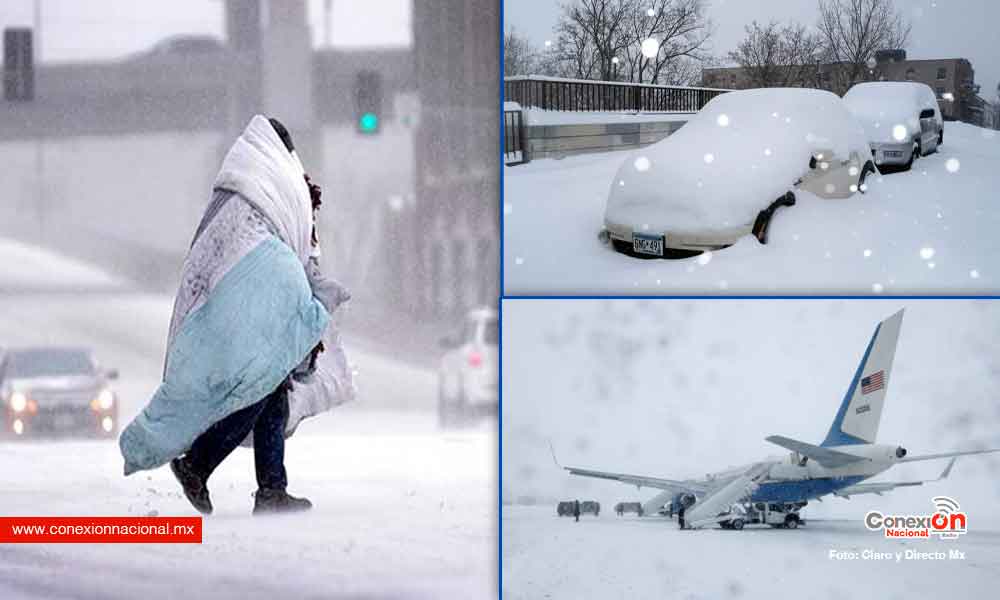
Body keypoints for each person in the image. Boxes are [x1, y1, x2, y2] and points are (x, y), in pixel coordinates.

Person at [120, 116, 350, 515]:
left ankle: (271, 490)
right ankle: (199, 464)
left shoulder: (239, 192)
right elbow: (273, 249)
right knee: (260, 388)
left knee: (271, 389)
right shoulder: (269, 188)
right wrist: (301, 295)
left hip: (236, 308)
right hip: (249, 309)